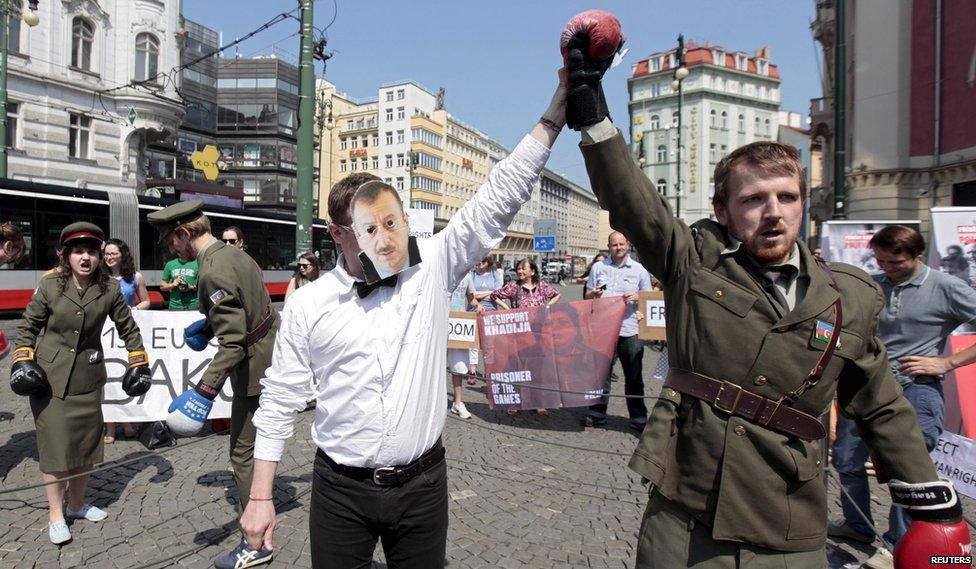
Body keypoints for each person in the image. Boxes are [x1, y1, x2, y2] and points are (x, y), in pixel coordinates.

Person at [562, 20, 964, 568]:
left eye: (786, 196)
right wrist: (592, 111)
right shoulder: (694, 260)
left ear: (803, 203)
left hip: (787, 520)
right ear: (724, 212)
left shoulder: (849, 296)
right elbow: (635, 204)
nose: (773, 211)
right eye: (754, 199)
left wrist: (926, 497)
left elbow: (881, 405)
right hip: (687, 511)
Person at [240, 73, 565, 568]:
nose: (386, 239)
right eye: (370, 229)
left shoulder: (430, 265)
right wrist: (261, 497)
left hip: (423, 487)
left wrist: (555, 112)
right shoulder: (308, 303)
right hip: (340, 492)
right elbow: (281, 399)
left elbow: (494, 201)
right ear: (338, 234)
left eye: (392, 223)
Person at [829, 225, 976, 568]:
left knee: (906, 470)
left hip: (916, 389)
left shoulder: (945, 287)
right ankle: (858, 527)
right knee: (847, 462)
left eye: (895, 262)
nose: (887, 268)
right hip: (864, 386)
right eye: (881, 261)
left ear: (918, 255)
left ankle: (897, 544)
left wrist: (947, 361)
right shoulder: (874, 285)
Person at [147, 200, 278, 569]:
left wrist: (205, 390)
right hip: (267, 358)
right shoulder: (235, 256)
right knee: (254, 448)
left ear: (185, 233)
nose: (172, 250)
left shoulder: (211, 271)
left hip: (253, 371)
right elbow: (253, 305)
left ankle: (256, 540)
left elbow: (234, 341)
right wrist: (209, 323)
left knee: (242, 454)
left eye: (172, 242)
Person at [12, 222, 150, 545]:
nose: (85, 257)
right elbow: (28, 326)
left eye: (91, 251)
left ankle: (76, 504)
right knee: (56, 448)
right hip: (50, 381)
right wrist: (22, 359)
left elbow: (128, 328)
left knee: (86, 447)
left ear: (99, 256)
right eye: (78, 251)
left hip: (89, 378)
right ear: (66, 255)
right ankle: (55, 514)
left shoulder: (110, 290)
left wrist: (138, 360)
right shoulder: (49, 286)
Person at [581, 231, 652, 431]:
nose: (618, 247)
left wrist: (638, 297)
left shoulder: (639, 270)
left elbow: (648, 298)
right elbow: (587, 296)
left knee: (634, 376)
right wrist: (592, 293)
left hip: (630, 330)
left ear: (627, 245)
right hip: (603, 330)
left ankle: (638, 417)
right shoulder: (598, 267)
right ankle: (596, 414)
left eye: (621, 244)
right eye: (614, 244)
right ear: (608, 246)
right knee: (601, 374)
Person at [490, 257, 561, 417]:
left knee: (537, 369)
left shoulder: (542, 286)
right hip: (519, 334)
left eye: (523, 268)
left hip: (538, 334)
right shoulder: (513, 286)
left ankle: (538, 402)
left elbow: (557, 294)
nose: (520, 271)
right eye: (518, 269)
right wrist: (507, 308)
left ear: (533, 271)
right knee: (518, 368)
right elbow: (495, 295)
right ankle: (515, 402)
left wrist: (547, 306)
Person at [102, 238, 150, 444]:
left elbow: (147, 300)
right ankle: (110, 427)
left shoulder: (135, 277)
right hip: (105, 336)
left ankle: (127, 422)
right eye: (106, 254)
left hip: (125, 335)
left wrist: (135, 310)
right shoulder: (99, 278)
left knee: (125, 376)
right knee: (108, 379)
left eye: (113, 253)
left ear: (122, 255)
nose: (109, 257)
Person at [349, 184, 421, 280]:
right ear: (357, 235)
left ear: (406, 220)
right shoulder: (331, 290)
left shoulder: (435, 260)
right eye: (370, 230)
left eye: (390, 223)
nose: (383, 243)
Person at [463, 256, 505, 386]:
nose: (479, 264)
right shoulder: (472, 274)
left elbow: (498, 293)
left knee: (489, 344)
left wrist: (481, 294)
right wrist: (488, 294)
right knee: (473, 343)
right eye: (478, 262)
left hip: (491, 311)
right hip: (473, 311)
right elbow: (471, 294)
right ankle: (472, 371)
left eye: (482, 262)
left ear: (488, 263)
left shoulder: (495, 274)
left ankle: (490, 372)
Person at [446, 269, 476, 419]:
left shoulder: (468, 275)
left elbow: (471, 299)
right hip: (439, 322)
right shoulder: (442, 269)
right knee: (432, 365)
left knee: (458, 367)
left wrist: (479, 306)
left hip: (458, 326)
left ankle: (458, 402)